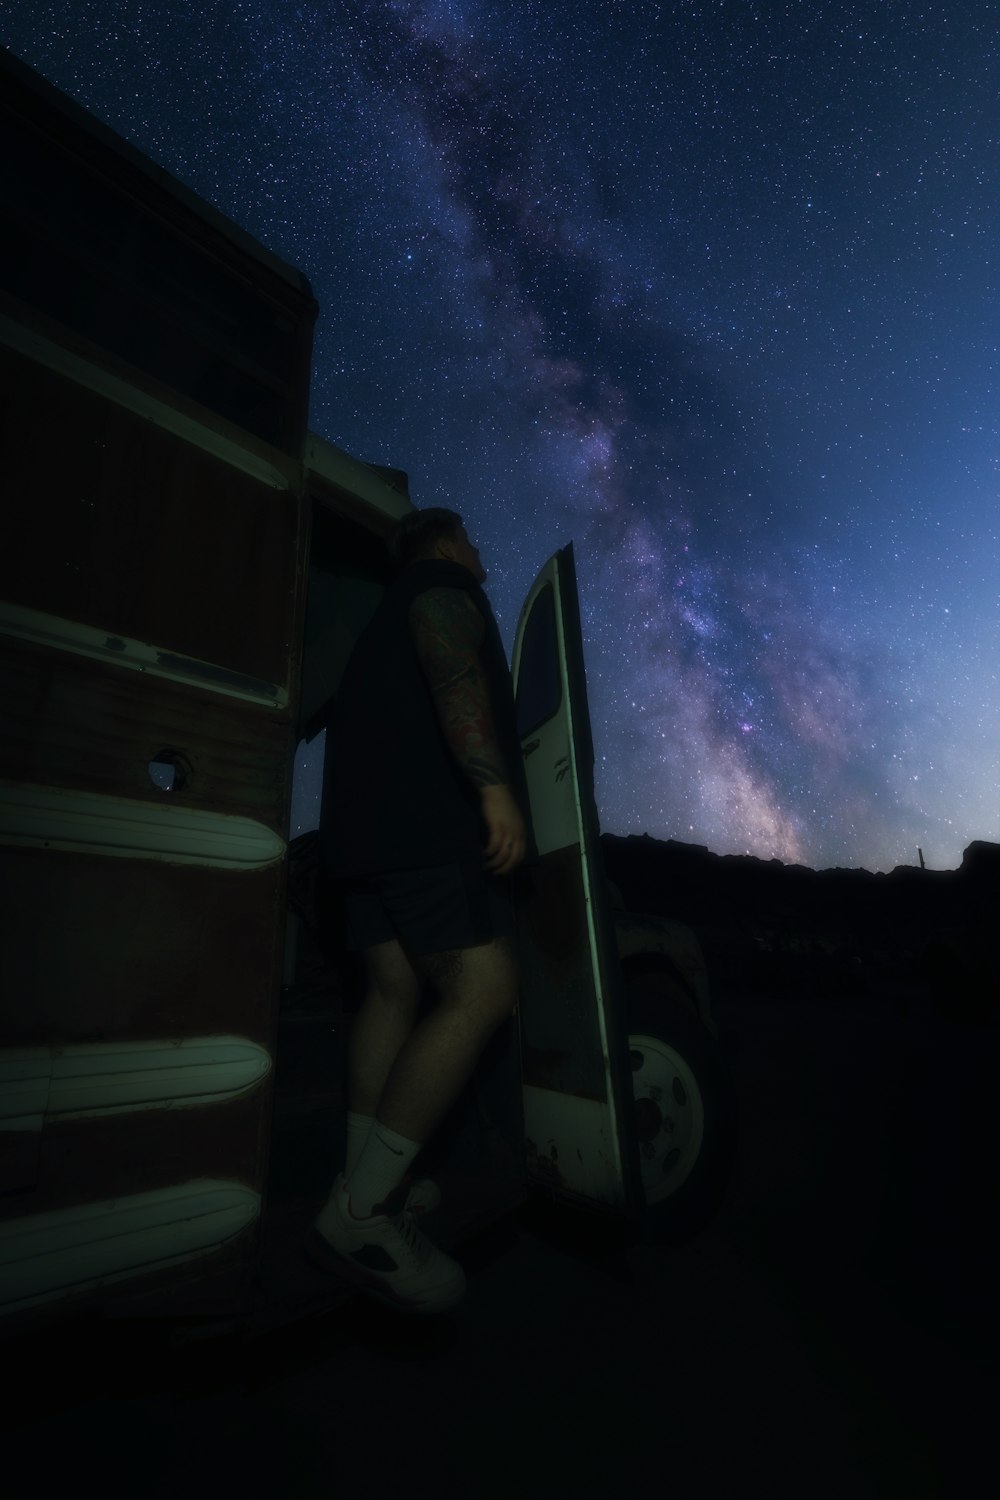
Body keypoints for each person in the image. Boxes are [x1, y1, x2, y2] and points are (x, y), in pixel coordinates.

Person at [307, 507, 539, 1315]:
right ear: (443, 544)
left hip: (359, 842)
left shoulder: (372, 626)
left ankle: (363, 1179)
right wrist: (495, 787)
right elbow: (455, 675)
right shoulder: (442, 588)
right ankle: (362, 1215)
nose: (479, 553)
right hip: (426, 834)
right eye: (471, 538)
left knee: (392, 992)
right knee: (483, 990)